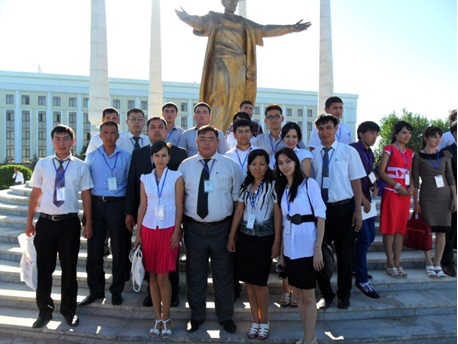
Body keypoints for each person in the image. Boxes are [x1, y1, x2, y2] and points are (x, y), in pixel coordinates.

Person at [176, 1, 310, 132]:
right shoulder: (215, 18)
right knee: (218, 101)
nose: (233, 3)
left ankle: (234, 134)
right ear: (223, 2)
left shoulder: (244, 23)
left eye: (236, 1)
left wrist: (291, 28)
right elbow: (200, 22)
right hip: (219, 66)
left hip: (239, 68)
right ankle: (216, 135)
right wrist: (187, 18)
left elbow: (264, 29)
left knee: (237, 103)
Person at [25, 124, 93, 328]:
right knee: (44, 270)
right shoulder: (43, 164)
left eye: (66, 139)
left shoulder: (81, 166)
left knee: (69, 270)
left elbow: (86, 195)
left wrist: (88, 221)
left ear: (73, 142)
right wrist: (29, 220)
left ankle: (68, 311)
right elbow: (36, 194)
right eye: (57, 139)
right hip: (46, 223)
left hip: (69, 224)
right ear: (52, 141)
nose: (61, 143)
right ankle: (44, 311)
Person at [179, 125, 243, 334]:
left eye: (211, 139)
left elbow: (237, 200)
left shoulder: (230, 166)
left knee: (223, 274)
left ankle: (225, 316)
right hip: (194, 228)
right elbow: (179, 199)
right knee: (195, 274)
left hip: (222, 228)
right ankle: (196, 316)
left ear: (218, 142)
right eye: (202, 139)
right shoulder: (185, 166)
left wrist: (233, 233)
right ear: (196, 142)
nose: (206, 142)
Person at [125, 117, 187, 307]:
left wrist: (180, 224)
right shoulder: (138, 154)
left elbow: (181, 195)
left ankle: (172, 292)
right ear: (147, 130)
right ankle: (151, 295)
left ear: (166, 130)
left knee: (170, 260)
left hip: (170, 219)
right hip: (149, 219)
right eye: (153, 127)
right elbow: (132, 185)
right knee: (150, 261)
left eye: (161, 127)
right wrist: (130, 213)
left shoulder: (178, 154)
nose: (157, 130)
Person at [311, 114, 365, 310]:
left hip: (343, 209)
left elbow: (356, 182)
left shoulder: (348, 152)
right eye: (321, 129)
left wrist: (357, 211)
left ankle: (344, 294)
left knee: (345, 256)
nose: (325, 132)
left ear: (336, 129)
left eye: (328, 128)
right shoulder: (314, 155)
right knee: (318, 256)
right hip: (321, 212)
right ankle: (327, 294)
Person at [227, 149, 281, 340]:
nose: (257, 168)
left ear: (267, 166)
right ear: (248, 166)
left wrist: (277, 241)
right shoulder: (245, 185)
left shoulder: (273, 185)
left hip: (264, 239)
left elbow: (277, 214)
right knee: (248, 283)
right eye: (253, 164)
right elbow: (239, 211)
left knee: (260, 283)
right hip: (245, 238)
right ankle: (255, 320)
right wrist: (232, 236)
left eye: (262, 164)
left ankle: (264, 321)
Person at [275, 147, 325, 344]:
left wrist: (317, 248)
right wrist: (281, 254)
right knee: (298, 294)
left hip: (308, 245)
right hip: (290, 248)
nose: (285, 166)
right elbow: (284, 222)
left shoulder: (308, 184)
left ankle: (310, 338)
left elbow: (321, 215)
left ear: (295, 162)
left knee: (308, 295)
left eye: (288, 161)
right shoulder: (283, 190)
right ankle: (307, 336)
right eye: (281, 163)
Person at [134, 141, 184, 338]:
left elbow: (180, 205)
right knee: (152, 276)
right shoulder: (145, 178)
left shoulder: (176, 176)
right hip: (148, 229)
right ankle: (157, 317)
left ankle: (167, 316)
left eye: (164, 155)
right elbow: (142, 206)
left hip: (168, 229)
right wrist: (138, 234)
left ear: (169, 157)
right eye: (157, 156)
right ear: (152, 158)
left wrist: (176, 232)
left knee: (163, 276)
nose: (160, 159)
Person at [80, 122, 132, 306]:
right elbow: (85, 187)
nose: (109, 136)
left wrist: (128, 212)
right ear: (100, 136)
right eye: (105, 133)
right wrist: (87, 216)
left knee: (119, 249)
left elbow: (131, 187)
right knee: (94, 250)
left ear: (118, 136)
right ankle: (96, 290)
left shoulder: (126, 157)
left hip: (118, 205)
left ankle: (116, 290)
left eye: (112, 133)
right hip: (97, 205)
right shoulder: (91, 157)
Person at [269, 122, 312, 308]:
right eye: (287, 136)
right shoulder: (277, 156)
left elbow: (305, 178)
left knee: (297, 256)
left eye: (294, 137)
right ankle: (286, 290)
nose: (291, 140)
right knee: (284, 255)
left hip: (299, 209)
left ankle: (295, 291)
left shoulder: (304, 154)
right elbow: (275, 176)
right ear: (282, 138)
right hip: (281, 202)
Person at [412, 126, 457, 278]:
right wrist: (416, 201)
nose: (437, 139)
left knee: (442, 232)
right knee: (427, 232)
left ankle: (438, 263)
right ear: (426, 138)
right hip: (427, 196)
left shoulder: (445, 154)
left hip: (445, 197)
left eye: (439, 136)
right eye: (434, 136)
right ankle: (429, 262)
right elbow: (415, 181)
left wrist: (455, 198)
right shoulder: (418, 157)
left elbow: (450, 176)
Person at [377, 121, 414, 278]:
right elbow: (381, 171)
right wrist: (397, 185)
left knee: (400, 229)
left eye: (409, 133)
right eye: (404, 132)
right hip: (392, 193)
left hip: (404, 196)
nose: (407, 135)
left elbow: (411, 174)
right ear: (396, 133)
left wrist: (411, 186)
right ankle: (389, 263)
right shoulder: (388, 149)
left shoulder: (411, 152)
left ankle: (397, 262)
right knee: (389, 229)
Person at [350, 121, 381, 299]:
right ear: (360, 134)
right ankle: (362, 279)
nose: (374, 136)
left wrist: (375, 185)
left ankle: (357, 267)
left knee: (368, 237)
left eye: (376, 133)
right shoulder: (353, 150)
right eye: (371, 133)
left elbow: (368, 174)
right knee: (363, 238)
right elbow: (350, 176)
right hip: (356, 201)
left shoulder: (369, 152)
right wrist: (361, 199)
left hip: (367, 199)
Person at [441, 122, 457, 276]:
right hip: (453, 196)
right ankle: (447, 261)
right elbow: (446, 175)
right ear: (454, 133)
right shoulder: (447, 152)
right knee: (450, 230)